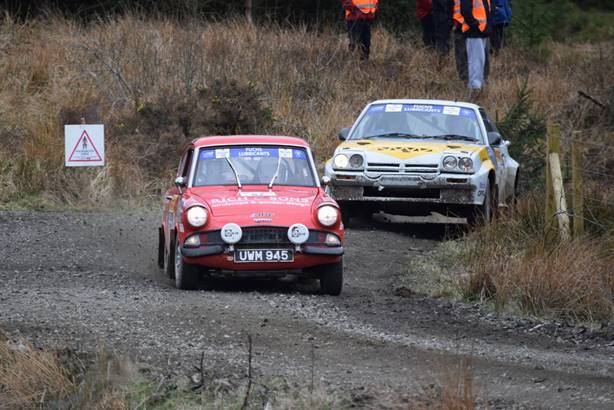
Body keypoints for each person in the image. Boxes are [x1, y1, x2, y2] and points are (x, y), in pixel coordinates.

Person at [453, 0, 492, 91]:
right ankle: (474, 88)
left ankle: (479, 87)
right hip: (474, 32)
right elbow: (465, 10)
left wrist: (486, 28)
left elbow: (488, 10)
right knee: (475, 61)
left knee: (481, 61)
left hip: (482, 31)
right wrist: (475, 25)